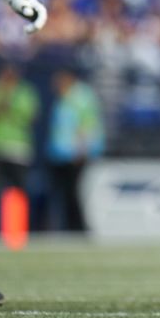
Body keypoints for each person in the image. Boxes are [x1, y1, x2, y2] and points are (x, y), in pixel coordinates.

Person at [0, 64, 39, 228]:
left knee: (18, 192)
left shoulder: (25, 91)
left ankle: (17, 229)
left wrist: (10, 104)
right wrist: (2, 100)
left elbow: (30, 116)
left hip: (18, 148)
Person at [46, 68, 104, 232]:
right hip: (62, 155)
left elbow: (86, 125)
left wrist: (82, 149)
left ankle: (79, 229)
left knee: (75, 193)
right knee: (66, 194)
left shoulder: (80, 97)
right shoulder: (65, 97)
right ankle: (69, 227)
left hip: (75, 154)